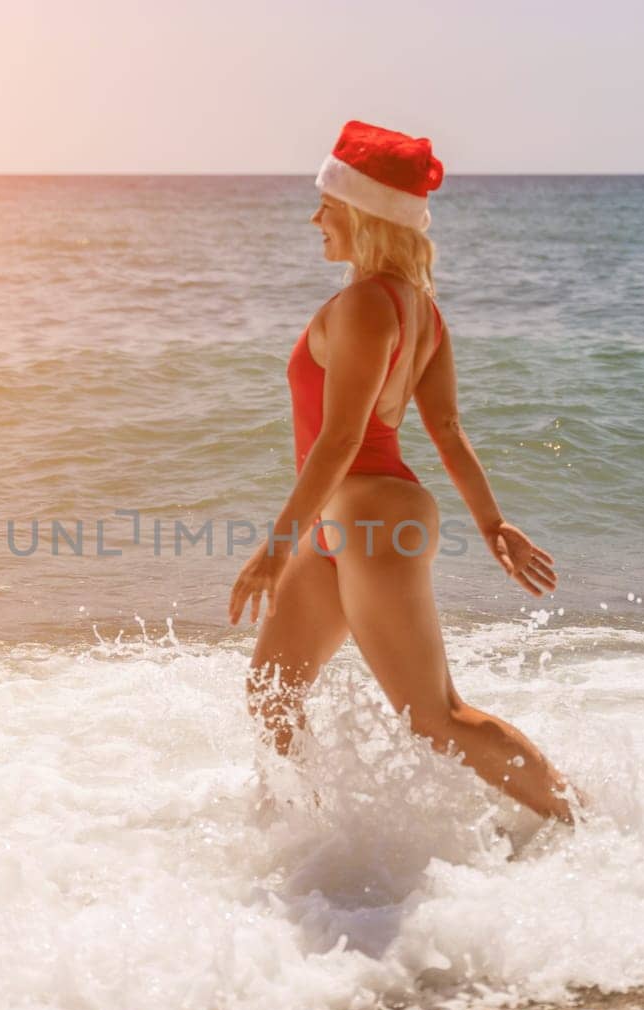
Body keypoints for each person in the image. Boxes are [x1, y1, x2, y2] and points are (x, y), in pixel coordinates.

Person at [228, 119, 583, 824]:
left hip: (367, 514)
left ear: (362, 212)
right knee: (273, 689)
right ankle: (308, 847)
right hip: (347, 520)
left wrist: (273, 548)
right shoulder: (421, 311)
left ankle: (586, 824)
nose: (314, 218)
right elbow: (445, 431)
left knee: (435, 715)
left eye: (326, 205)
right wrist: (492, 522)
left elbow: (339, 439)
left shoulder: (364, 304)